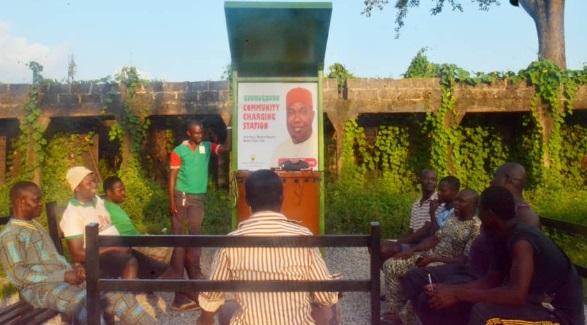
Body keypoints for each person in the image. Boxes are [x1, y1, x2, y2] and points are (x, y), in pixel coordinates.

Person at [419, 186, 584, 325]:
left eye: (480, 210)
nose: (479, 216)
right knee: (449, 303)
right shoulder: (499, 237)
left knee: (485, 313)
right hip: (536, 304)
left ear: (490, 214)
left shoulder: (522, 241)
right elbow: (490, 281)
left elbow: (516, 295)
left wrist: (457, 294)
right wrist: (448, 290)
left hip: (558, 315)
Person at [401, 162, 542, 324]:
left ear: (507, 179)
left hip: (481, 276)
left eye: (494, 177)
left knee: (429, 298)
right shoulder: (499, 207)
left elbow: (508, 277)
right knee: (415, 278)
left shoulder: (524, 218)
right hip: (466, 268)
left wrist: (457, 290)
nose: (491, 181)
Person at [0, 181, 156, 324]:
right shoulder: (10, 236)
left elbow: (53, 260)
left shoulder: (33, 225)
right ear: (21, 202)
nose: (40, 204)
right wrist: (63, 275)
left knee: (119, 295)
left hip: (60, 281)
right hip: (39, 290)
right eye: (36, 200)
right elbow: (19, 276)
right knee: (88, 304)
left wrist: (73, 268)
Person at [197, 170, 338, 325]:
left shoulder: (231, 242)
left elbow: (211, 296)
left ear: (247, 201)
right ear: (282, 198)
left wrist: (204, 320)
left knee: (227, 308)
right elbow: (325, 295)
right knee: (329, 308)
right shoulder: (303, 236)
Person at [381, 189, 481, 324]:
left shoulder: (476, 227)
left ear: (473, 205)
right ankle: (395, 311)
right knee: (391, 265)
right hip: (430, 255)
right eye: (456, 200)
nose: (456, 203)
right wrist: (412, 251)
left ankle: (405, 318)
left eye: (461, 201)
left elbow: (464, 260)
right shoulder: (453, 218)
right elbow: (435, 238)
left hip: (447, 266)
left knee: (418, 276)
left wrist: (434, 259)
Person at [168, 118, 231, 310]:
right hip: (181, 197)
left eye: (201, 132)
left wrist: (229, 127)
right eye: (196, 132)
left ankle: (196, 288)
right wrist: (172, 202)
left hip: (198, 199)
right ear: (188, 133)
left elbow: (226, 149)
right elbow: (172, 178)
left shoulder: (206, 146)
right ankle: (179, 296)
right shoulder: (179, 151)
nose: (199, 135)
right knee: (179, 245)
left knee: (195, 242)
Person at [59, 166, 137, 279]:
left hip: (119, 250)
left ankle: (142, 293)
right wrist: (114, 248)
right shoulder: (73, 214)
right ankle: (128, 296)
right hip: (98, 258)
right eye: (89, 183)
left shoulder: (96, 200)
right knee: (130, 262)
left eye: (94, 181)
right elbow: (77, 255)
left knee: (158, 266)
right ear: (76, 188)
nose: (94, 185)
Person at [103, 176, 172, 278]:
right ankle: (179, 282)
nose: (124, 193)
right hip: (131, 244)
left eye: (124, 189)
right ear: (109, 192)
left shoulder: (114, 206)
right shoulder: (104, 208)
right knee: (174, 249)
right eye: (120, 190)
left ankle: (166, 280)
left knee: (173, 245)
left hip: (137, 239)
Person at [381, 169, 437, 260]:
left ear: (436, 182)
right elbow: (411, 229)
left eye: (433, 179)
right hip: (412, 241)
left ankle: (395, 271)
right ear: (420, 181)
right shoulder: (416, 203)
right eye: (426, 179)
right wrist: (399, 241)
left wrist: (399, 243)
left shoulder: (437, 201)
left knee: (385, 249)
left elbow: (425, 231)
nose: (430, 182)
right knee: (374, 244)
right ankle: (390, 272)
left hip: (423, 245)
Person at [271, 87, 318, 169]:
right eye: (291, 113)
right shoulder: (280, 151)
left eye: (303, 112)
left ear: (312, 116)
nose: (296, 119)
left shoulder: (318, 146)